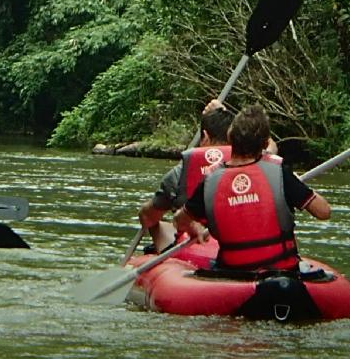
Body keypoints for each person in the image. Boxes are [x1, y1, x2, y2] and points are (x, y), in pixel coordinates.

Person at [172, 103, 330, 274]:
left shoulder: (211, 180)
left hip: (232, 273)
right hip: (283, 271)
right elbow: (324, 212)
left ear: (230, 137)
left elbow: (179, 220)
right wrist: (298, 185)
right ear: (263, 144)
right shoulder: (280, 173)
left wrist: (194, 228)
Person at [138, 100, 236, 251]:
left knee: (155, 221)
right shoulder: (251, 163)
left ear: (204, 136)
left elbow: (147, 217)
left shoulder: (181, 171)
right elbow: (270, 147)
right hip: (236, 244)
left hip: (197, 247)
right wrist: (223, 110)